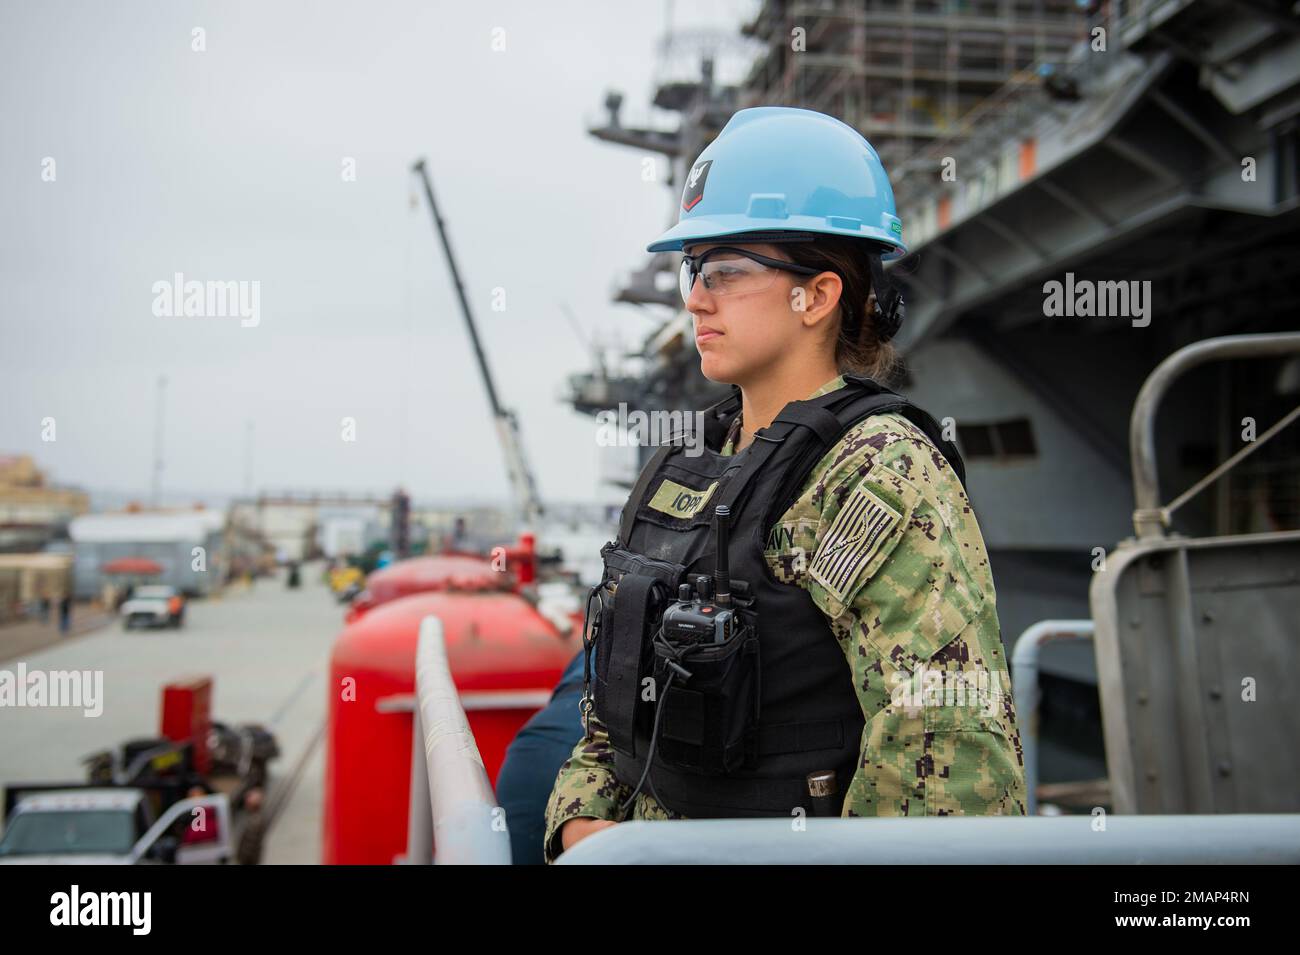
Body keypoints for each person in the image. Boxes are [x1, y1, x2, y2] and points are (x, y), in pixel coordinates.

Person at [543, 106, 1027, 863]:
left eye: (725, 272)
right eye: (692, 270)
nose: (695, 298)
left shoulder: (876, 472)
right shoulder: (686, 461)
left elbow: (947, 765)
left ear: (819, 294)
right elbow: (611, 701)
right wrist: (581, 823)